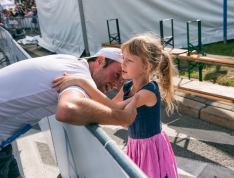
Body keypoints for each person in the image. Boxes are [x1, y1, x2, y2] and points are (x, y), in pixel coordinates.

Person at [52, 32, 179, 178]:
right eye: (123, 58)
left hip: (150, 148)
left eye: (129, 60)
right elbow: (111, 105)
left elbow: (117, 109)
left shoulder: (148, 92)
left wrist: (82, 83)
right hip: (135, 143)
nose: (123, 64)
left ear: (146, 67)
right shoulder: (128, 86)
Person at [0, 47, 139, 178]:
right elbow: (68, 109)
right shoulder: (78, 76)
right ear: (100, 61)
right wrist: (123, 118)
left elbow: (106, 103)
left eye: (121, 83)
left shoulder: (72, 62)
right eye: (116, 75)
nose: (116, 85)